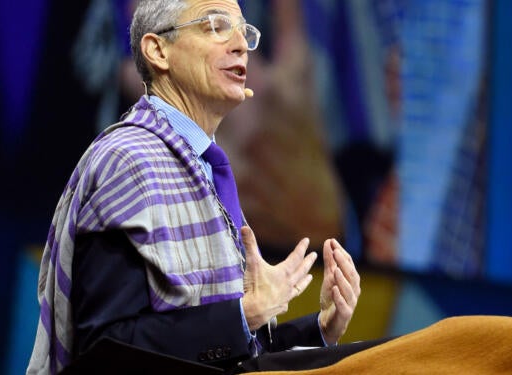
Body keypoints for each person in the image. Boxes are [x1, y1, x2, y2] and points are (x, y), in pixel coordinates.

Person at [26, 0, 361, 374]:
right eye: (216, 26)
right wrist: (243, 314)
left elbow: (226, 351)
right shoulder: (126, 163)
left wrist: (320, 329)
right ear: (158, 51)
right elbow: (106, 351)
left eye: (244, 32)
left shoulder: (201, 166)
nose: (240, 45)